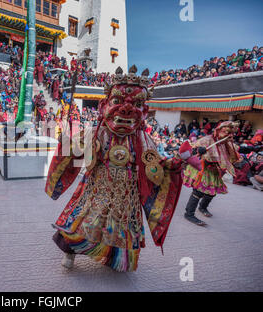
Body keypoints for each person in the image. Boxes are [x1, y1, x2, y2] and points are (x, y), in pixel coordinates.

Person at [45, 66, 196, 272]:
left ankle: (115, 258)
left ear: (144, 111)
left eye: (137, 104)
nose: (126, 110)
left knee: (122, 227)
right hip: (98, 187)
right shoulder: (97, 132)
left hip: (127, 193)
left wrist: (175, 163)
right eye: (117, 102)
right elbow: (75, 151)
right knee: (84, 221)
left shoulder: (143, 138)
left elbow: (156, 163)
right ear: (103, 106)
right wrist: (72, 145)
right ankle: (70, 253)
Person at [182, 121, 241, 226]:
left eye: (230, 133)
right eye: (226, 132)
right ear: (218, 130)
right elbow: (194, 151)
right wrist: (199, 151)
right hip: (202, 168)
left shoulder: (225, 143)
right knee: (198, 191)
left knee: (211, 193)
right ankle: (189, 213)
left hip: (214, 170)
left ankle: (202, 207)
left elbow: (232, 154)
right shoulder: (207, 139)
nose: (228, 135)